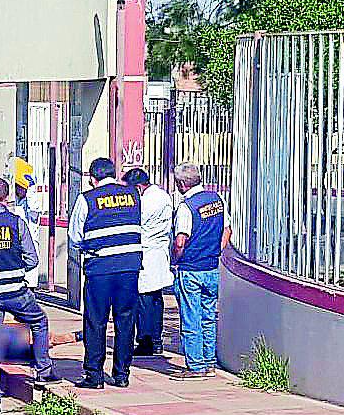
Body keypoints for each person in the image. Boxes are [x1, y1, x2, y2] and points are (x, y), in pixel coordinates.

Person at [0, 177, 57, 415]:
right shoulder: (16, 222)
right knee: (38, 321)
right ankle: (43, 369)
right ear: (6, 197)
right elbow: (33, 259)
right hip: (16, 291)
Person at [67, 157, 142, 390]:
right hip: (129, 266)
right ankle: (122, 374)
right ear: (114, 173)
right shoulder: (133, 195)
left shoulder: (86, 198)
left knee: (96, 320)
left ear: (92, 178)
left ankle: (94, 375)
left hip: (100, 268)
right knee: (126, 320)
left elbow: (75, 236)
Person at [171, 163, 232, 380]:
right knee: (208, 316)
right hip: (211, 267)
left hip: (190, 269)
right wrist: (216, 251)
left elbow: (180, 241)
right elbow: (227, 230)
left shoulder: (186, 207)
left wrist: (176, 261)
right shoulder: (217, 199)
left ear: (181, 184)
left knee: (190, 318)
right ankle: (209, 363)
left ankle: (195, 366)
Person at [123, 168, 174, 356]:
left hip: (147, 252)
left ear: (138, 187)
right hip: (158, 253)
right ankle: (156, 339)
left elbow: (136, 222)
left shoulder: (147, 201)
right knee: (155, 300)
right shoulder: (163, 195)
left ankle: (146, 341)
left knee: (144, 300)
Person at [11, 158, 44, 288]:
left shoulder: (31, 203)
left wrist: (31, 189)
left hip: (28, 248)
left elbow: (35, 208)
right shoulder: (15, 202)